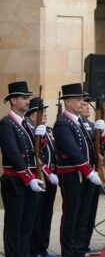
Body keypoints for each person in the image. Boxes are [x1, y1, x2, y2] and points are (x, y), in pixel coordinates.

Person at [53, 83, 104, 257]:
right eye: (78, 99)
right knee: (71, 215)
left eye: (83, 99)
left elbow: (95, 146)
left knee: (84, 215)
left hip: (87, 174)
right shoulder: (62, 123)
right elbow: (72, 150)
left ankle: (80, 249)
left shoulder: (82, 122)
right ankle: (69, 252)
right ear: (67, 102)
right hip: (73, 175)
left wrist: (102, 133)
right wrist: (88, 171)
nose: (83, 102)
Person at [0, 81, 46, 256]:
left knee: (27, 225)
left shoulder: (27, 122)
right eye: (23, 98)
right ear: (13, 100)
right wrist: (29, 177)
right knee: (14, 224)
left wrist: (41, 138)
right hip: (15, 180)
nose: (27, 101)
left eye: (28, 98)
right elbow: (13, 154)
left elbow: (36, 151)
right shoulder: (6, 124)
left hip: (30, 179)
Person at [26, 98, 60, 257]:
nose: (45, 114)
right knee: (37, 215)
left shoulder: (48, 130)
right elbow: (36, 157)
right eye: (41, 112)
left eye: (45, 111)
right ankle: (34, 249)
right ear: (32, 115)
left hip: (51, 178)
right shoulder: (31, 131)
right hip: (39, 177)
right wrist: (48, 173)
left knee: (47, 214)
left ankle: (43, 247)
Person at [79, 94, 105, 256]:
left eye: (88, 104)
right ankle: (79, 244)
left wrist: (103, 133)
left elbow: (102, 147)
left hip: (94, 173)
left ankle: (86, 243)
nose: (86, 107)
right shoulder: (75, 124)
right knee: (82, 212)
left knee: (91, 211)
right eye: (83, 104)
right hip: (83, 174)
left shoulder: (91, 124)